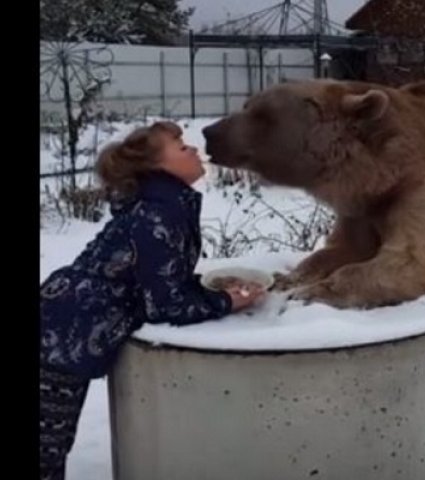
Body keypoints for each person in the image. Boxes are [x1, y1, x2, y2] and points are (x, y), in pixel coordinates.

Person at [39, 121, 265, 480]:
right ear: (158, 168)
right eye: (180, 146)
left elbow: (155, 277)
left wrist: (207, 289)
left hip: (64, 325)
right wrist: (226, 301)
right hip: (60, 334)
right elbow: (167, 305)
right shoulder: (159, 214)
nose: (192, 149)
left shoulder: (164, 205)